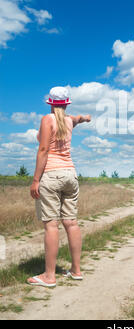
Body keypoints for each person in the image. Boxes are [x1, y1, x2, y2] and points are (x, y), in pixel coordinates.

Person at [28, 87, 91, 288]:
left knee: (51, 225)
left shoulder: (48, 120)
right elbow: (79, 118)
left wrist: (36, 180)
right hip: (70, 175)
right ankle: (76, 270)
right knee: (71, 223)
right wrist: (86, 117)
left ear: (51, 103)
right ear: (66, 103)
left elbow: (44, 149)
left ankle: (49, 276)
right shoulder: (69, 120)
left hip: (52, 175)